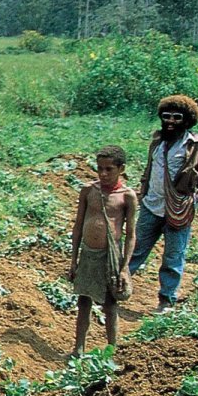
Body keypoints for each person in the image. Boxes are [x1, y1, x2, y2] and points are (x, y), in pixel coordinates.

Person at [128, 95, 198, 313]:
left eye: (177, 118)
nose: (170, 121)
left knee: (173, 256)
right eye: (166, 116)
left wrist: (193, 202)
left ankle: (166, 300)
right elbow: (149, 171)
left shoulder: (196, 146)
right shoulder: (157, 142)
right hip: (152, 205)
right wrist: (142, 193)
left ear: (187, 121)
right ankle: (115, 288)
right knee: (135, 249)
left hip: (179, 211)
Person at [67, 146, 137, 355]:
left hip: (110, 257)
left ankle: (111, 351)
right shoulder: (89, 190)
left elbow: (131, 235)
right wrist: (73, 260)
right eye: (100, 169)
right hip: (88, 254)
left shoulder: (127, 196)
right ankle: (78, 349)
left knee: (110, 304)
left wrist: (124, 269)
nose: (103, 174)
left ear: (121, 169)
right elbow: (78, 225)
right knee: (83, 301)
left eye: (109, 169)